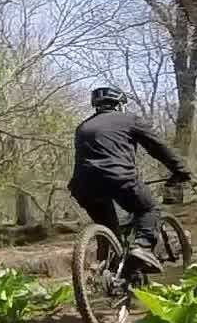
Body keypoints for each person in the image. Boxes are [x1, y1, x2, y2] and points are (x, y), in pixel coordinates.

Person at [70, 86, 190, 272]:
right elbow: (158, 147)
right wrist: (181, 170)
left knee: (109, 229)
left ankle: (109, 272)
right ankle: (142, 247)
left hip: (83, 187)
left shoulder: (83, 127)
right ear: (119, 105)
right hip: (119, 178)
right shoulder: (129, 120)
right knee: (149, 208)